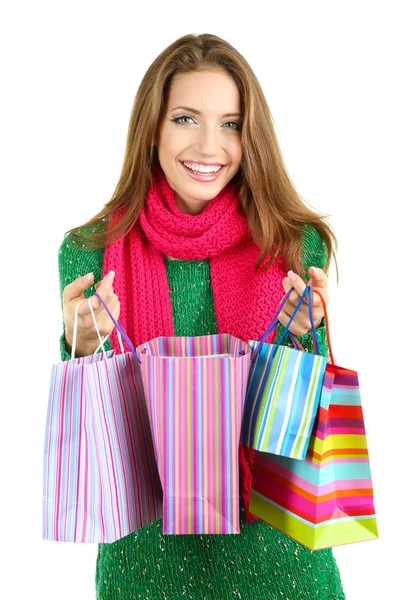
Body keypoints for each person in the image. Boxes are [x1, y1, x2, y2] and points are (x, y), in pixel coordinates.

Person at [58, 33, 345, 600]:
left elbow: (309, 429)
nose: (210, 145)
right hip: (142, 572)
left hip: (283, 570)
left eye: (231, 123)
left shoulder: (295, 243)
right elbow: (94, 429)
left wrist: (306, 341)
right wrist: (82, 347)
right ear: (153, 129)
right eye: (187, 119)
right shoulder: (90, 252)